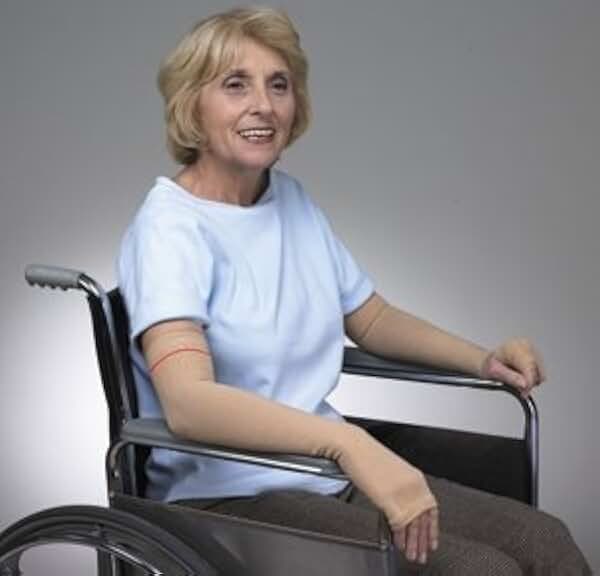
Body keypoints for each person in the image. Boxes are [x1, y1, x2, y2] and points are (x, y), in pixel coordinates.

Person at [117, 6, 590, 575]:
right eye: (235, 85)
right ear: (192, 103)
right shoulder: (169, 228)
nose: (263, 105)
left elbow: (371, 318)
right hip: (226, 496)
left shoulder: (290, 201)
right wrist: (350, 444)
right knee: (482, 570)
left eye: (278, 85)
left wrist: (484, 359)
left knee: (545, 542)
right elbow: (189, 403)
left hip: (323, 474)